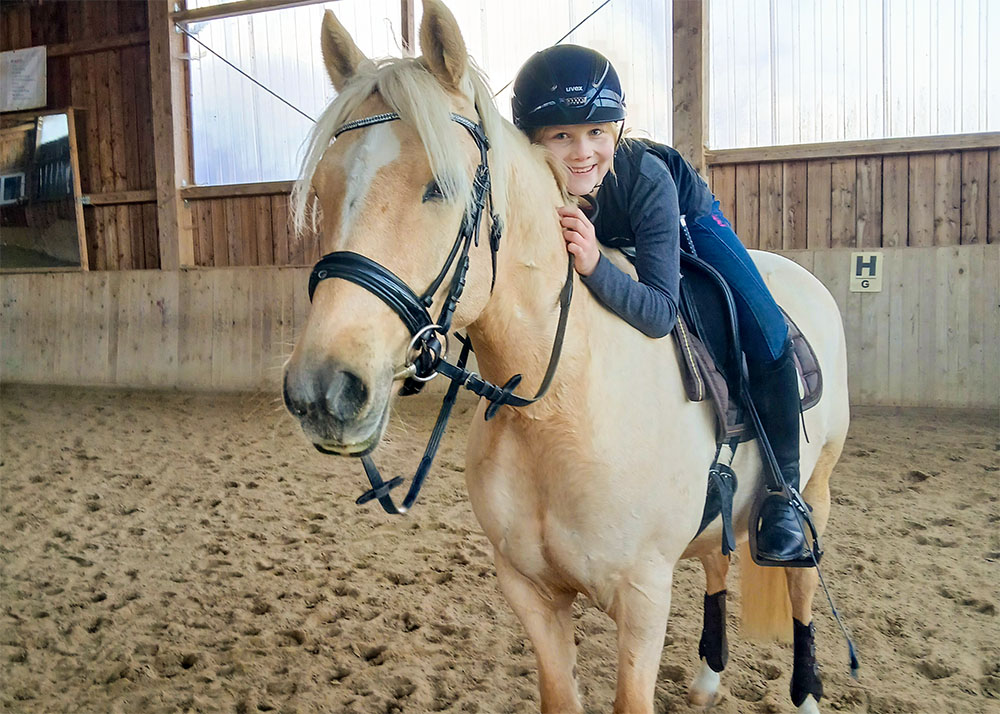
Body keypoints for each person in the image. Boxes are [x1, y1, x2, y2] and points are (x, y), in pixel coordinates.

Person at [511, 44, 809, 567]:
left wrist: (595, 266)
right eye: (562, 135)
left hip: (686, 215)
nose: (583, 152)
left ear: (618, 132)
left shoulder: (646, 178)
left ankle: (784, 496)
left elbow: (659, 312)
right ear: (531, 141)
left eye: (598, 132)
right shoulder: (526, 189)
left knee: (764, 327)